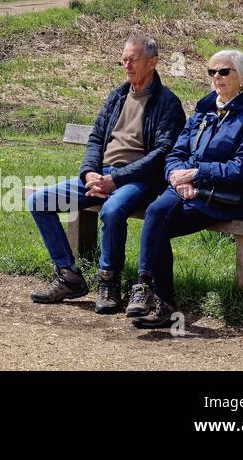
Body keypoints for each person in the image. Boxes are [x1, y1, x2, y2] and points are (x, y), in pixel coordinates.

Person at [27, 34, 186, 313]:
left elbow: (161, 153)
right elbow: (96, 139)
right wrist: (89, 174)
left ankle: (109, 282)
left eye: (132, 60)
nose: (126, 65)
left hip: (138, 180)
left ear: (153, 62)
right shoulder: (117, 96)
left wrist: (116, 180)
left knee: (111, 211)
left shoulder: (168, 103)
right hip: (101, 175)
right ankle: (69, 276)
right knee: (40, 202)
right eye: (123, 59)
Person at [128, 49, 243, 329]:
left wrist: (197, 174)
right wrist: (176, 180)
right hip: (186, 191)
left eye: (223, 71)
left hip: (221, 198)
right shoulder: (203, 110)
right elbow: (175, 152)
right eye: (212, 72)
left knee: (156, 219)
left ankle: (151, 292)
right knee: (156, 216)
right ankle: (157, 297)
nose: (216, 77)